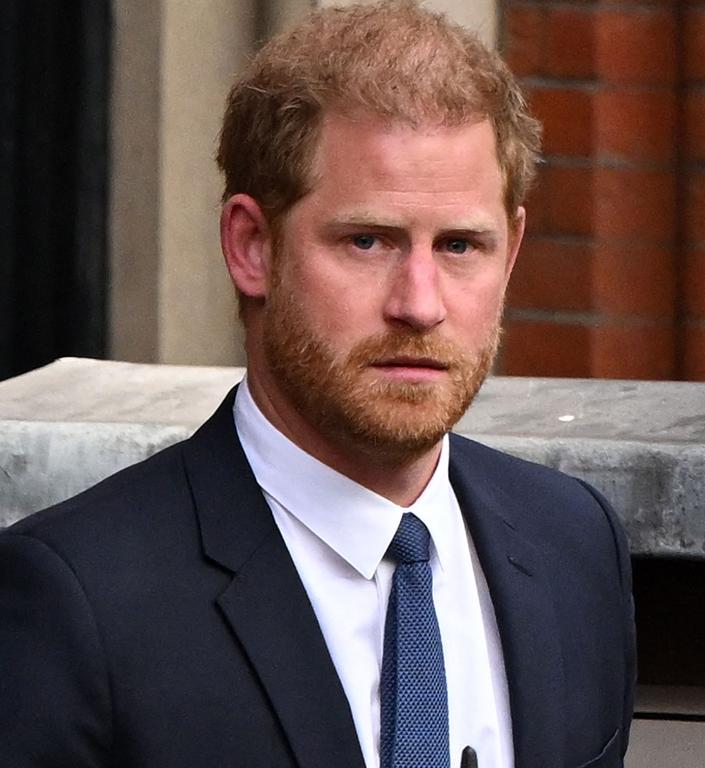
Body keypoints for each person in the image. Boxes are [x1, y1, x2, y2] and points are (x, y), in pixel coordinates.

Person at [0, 3, 635, 767]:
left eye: (463, 245)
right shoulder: (79, 603)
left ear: (513, 251)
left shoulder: (575, 544)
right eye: (368, 241)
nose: (420, 304)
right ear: (251, 246)